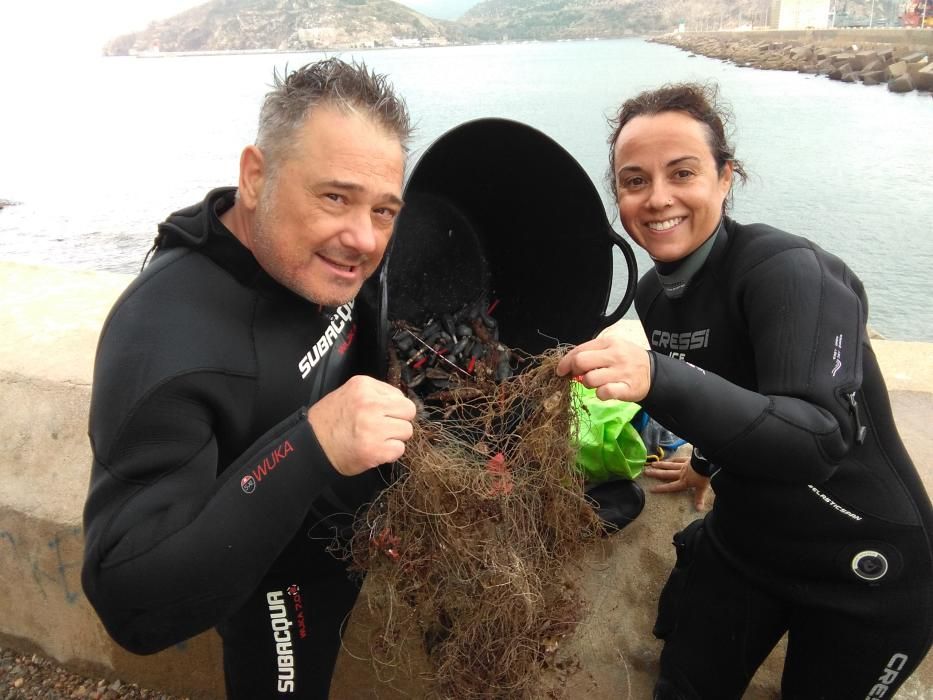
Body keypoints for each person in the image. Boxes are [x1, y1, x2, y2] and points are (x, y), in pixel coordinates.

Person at [557, 82, 933, 698]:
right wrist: (703, 461)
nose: (658, 199)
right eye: (634, 181)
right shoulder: (653, 294)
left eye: (683, 173)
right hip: (746, 546)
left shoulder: (790, 272)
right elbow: (731, 384)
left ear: (726, 177)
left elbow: (820, 435)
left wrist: (657, 375)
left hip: (864, 564)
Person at [81, 58, 418, 699]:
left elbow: (371, 349)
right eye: (334, 197)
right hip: (265, 581)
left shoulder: (336, 256)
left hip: (345, 548)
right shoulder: (164, 339)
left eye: (384, 209)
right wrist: (312, 448)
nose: (363, 238)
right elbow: (130, 602)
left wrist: (391, 488)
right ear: (256, 177)